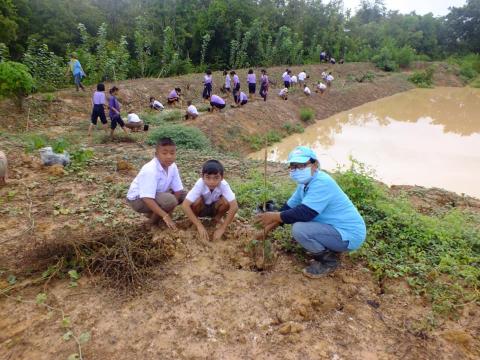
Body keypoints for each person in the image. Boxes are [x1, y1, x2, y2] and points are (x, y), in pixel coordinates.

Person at [255, 146, 366, 278]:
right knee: (295, 220)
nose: (296, 170)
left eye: (302, 165)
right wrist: (265, 231)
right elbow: (287, 209)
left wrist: (272, 216)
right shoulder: (304, 185)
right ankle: (329, 248)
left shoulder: (322, 182)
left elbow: (304, 213)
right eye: (293, 166)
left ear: (315, 165)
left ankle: (329, 261)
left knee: (300, 229)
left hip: (349, 235)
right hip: (335, 230)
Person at [126, 137, 186, 229]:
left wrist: (169, 211)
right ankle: (151, 223)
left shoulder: (172, 166)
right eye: (164, 153)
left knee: (184, 195)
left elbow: (178, 190)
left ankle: (157, 216)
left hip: (156, 194)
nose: (169, 156)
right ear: (156, 154)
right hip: (138, 199)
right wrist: (165, 216)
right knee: (169, 200)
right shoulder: (150, 170)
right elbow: (147, 198)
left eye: (172, 153)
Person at [182, 160, 239, 243]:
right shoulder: (200, 184)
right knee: (197, 200)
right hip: (200, 209)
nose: (212, 182)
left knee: (226, 201)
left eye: (216, 178)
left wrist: (223, 228)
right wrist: (199, 225)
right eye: (208, 177)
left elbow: (234, 206)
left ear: (222, 178)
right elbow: (185, 205)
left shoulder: (224, 185)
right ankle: (195, 221)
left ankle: (217, 218)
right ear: (202, 177)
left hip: (214, 209)